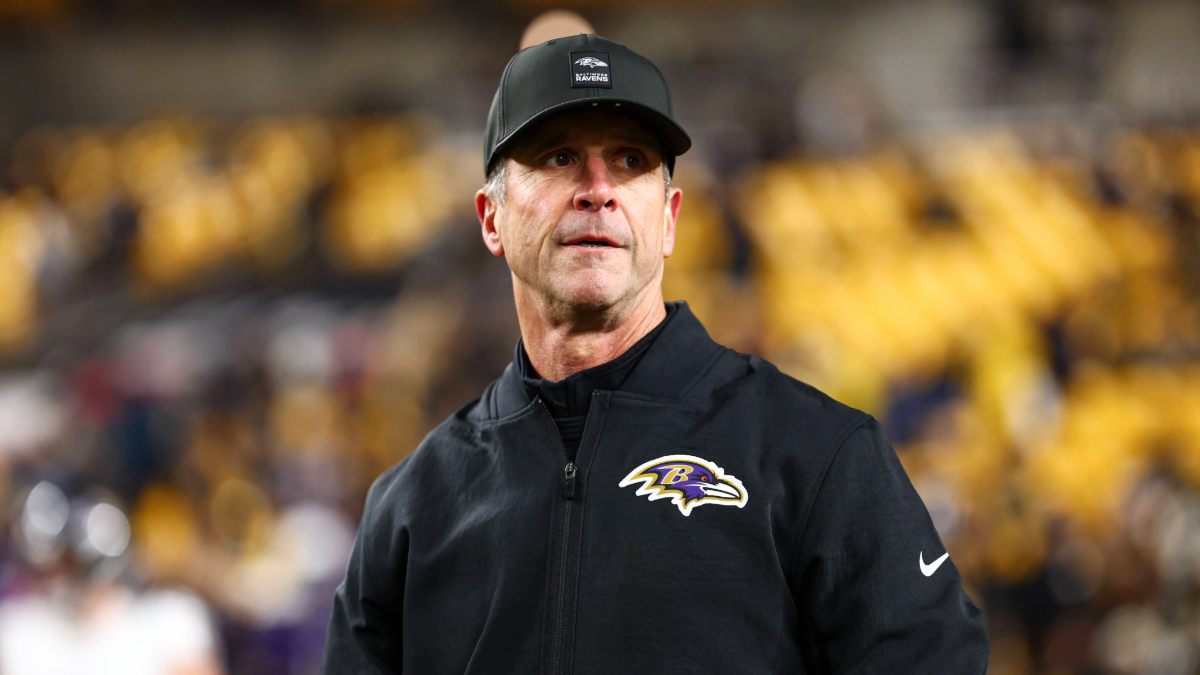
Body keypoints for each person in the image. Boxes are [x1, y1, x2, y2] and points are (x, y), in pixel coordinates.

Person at [320, 32, 989, 674]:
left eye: (630, 161)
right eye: (558, 157)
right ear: (492, 218)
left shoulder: (816, 455)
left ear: (667, 219)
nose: (597, 188)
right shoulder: (411, 506)